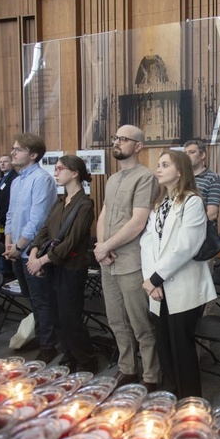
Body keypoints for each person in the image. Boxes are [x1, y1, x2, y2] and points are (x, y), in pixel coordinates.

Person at [140, 150, 216, 397]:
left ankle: (190, 401)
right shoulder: (160, 203)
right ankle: (169, 393)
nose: (158, 169)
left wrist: (155, 277)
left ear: (180, 171)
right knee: (163, 344)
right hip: (157, 286)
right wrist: (152, 281)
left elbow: (186, 246)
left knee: (181, 346)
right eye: (158, 164)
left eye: (165, 165)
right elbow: (147, 242)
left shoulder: (193, 201)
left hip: (182, 285)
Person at [94, 124, 160, 391]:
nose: (117, 142)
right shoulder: (112, 179)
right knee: (116, 321)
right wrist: (102, 246)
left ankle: (152, 376)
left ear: (138, 146)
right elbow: (104, 214)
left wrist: (106, 246)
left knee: (140, 323)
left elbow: (138, 222)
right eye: (115, 137)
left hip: (131, 262)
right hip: (108, 260)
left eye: (123, 139)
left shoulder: (146, 178)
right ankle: (127, 369)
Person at [28, 155, 96, 373]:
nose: (55, 172)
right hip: (52, 266)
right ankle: (69, 357)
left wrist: (40, 261)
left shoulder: (84, 204)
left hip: (72, 268)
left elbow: (71, 242)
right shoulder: (59, 202)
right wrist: (33, 253)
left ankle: (86, 361)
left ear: (74, 173)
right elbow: (44, 231)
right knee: (56, 315)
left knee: (71, 318)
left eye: (59, 169)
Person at [4, 134, 58, 363]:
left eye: (18, 150)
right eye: (13, 149)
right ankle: (41, 336)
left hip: (33, 252)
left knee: (42, 299)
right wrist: (9, 243)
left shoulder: (41, 179)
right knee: (31, 299)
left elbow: (38, 220)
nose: (13, 153)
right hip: (16, 248)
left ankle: (49, 345)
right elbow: (10, 215)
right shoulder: (17, 181)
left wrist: (19, 246)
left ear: (33, 154)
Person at [183, 139, 220, 224]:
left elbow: (212, 214)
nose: (187, 156)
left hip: (201, 230)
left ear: (202, 155)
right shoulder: (181, 177)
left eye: (192, 152)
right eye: (185, 153)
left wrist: (191, 227)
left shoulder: (212, 178)